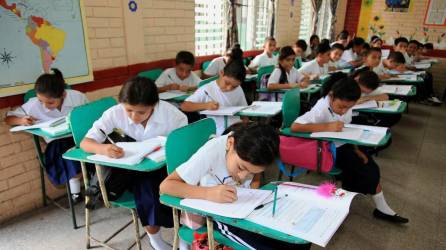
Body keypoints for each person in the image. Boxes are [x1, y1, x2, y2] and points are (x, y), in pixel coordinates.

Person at [160, 122, 312, 250]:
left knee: (300, 239)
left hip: (246, 205)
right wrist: (208, 193)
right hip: (218, 214)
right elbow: (166, 186)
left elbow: (254, 173)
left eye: (251, 172)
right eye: (241, 168)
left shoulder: (249, 150)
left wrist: (255, 181)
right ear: (230, 143)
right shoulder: (211, 152)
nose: (242, 176)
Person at [80, 77, 187, 250]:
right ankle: (156, 240)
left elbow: (182, 148)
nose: (134, 117)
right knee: (148, 188)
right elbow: (85, 143)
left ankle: (183, 238)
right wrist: (103, 149)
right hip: (128, 172)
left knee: (182, 185)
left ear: (154, 104)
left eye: (141, 112)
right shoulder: (114, 113)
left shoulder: (174, 116)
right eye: (129, 110)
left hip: (165, 167)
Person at [291, 75, 409, 224]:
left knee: (370, 165)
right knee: (367, 170)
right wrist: (326, 126)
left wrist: (357, 148)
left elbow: (346, 129)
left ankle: (365, 200)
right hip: (328, 149)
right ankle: (379, 207)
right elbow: (295, 127)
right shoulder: (320, 108)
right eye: (341, 107)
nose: (343, 111)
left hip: (344, 143)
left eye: (348, 107)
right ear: (331, 96)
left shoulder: (344, 104)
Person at [5, 68, 88, 202]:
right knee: (70, 158)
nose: (45, 106)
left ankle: (99, 186)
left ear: (63, 95)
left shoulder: (77, 97)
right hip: (56, 143)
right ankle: (77, 193)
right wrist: (21, 120)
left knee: (97, 148)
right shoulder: (33, 104)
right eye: (41, 100)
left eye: (50, 102)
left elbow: (88, 114)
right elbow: (8, 119)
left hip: (78, 137)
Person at [181, 59, 248, 135]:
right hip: (218, 133)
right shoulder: (207, 89)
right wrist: (206, 105)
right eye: (227, 83)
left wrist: (245, 127)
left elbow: (244, 112)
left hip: (237, 128)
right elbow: (184, 106)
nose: (229, 88)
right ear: (221, 73)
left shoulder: (238, 89)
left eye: (234, 86)